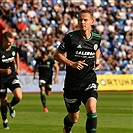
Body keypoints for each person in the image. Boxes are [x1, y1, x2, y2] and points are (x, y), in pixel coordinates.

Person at [54, 9, 101, 133]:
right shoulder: (71, 37)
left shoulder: (96, 38)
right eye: (80, 20)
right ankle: (67, 128)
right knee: (73, 118)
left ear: (92, 22)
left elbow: (97, 49)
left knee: (91, 108)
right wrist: (72, 64)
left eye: (85, 20)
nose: (82, 22)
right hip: (72, 84)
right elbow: (56, 55)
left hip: (89, 81)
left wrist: (97, 60)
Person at [0, 31, 22, 129]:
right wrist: (4, 70)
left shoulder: (13, 48)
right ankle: (5, 121)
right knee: (3, 100)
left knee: (19, 96)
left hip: (12, 76)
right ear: (4, 40)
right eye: (8, 42)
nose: (10, 44)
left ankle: (11, 105)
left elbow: (16, 54)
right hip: (1, 80)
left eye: (11, 42)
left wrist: (18, 66)